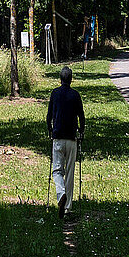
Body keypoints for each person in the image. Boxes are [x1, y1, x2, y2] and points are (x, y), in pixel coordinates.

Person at [46, 65, 86, 218]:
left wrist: (49, 129)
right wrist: (81, 131)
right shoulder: (75, 95)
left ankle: (60, 193)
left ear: (60, 79)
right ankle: (67, 207)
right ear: (71, 79)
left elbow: (49, 115)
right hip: (72, 139)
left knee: (57, 170)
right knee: (70, 173)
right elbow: (81, 116)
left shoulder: (55, 94)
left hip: (58, 137)